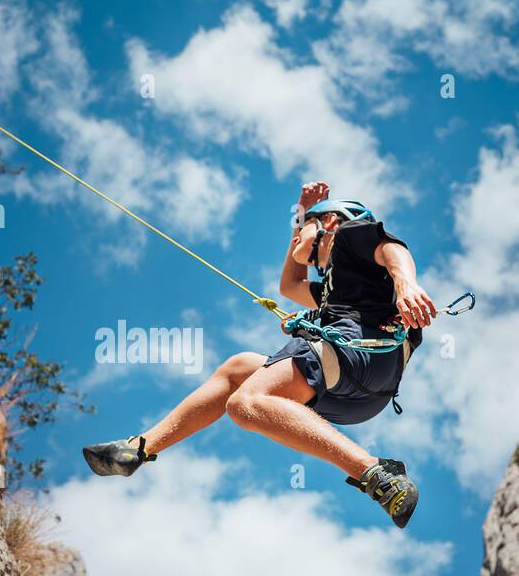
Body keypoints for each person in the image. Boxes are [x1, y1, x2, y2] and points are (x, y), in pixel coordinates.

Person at [81, 181, 438, 528]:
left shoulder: (349, 238)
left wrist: (407, 284)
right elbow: (289, 286)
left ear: (330, 223)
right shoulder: (333, 287)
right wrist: (302, 216)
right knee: (239, 367)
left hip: (357, 354)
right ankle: (138, 449)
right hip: (362, 391)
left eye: (306, 229)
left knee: (245, 402)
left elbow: (392, 250)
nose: (296, 237)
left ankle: (374, 472)